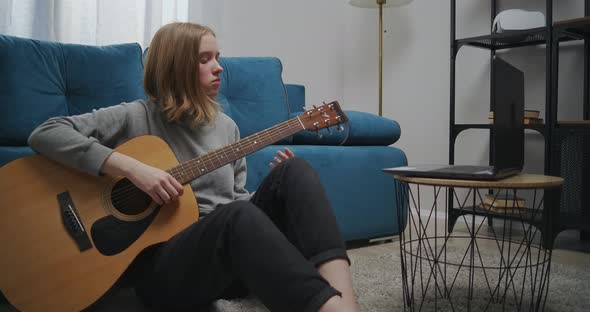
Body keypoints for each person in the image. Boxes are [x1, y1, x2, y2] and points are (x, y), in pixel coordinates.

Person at [27, 22, 358, 312]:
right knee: (234, 217)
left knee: (295, 172)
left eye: (217, 57)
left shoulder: (227, 127)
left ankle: (342, 301)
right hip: (165, 272)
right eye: (205, 59)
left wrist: (279, 193)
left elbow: (237, 202)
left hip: (228, 263)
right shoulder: (136, 116)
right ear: (176, 67)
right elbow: (46, 132)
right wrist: (132, 169)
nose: (219, 67)